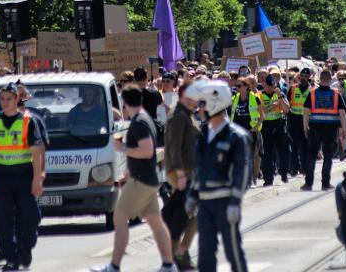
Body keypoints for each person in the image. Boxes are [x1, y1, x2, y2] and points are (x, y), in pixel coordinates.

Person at [93, 88, 177, 272]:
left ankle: (114, 266)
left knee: (120, 217)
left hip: (141, 181)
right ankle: (169, 264)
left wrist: (122, 148)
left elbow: (146, 151)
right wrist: (128, 173)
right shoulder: (143, 119)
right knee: (156, 222)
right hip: (145, 178)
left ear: (125, 103)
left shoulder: (139, 122)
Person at [0, 82, 46, 271]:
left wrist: (37, 178)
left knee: (29, 217)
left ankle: (25, 248)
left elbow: (36, 152)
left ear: (17, 100)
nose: (5, 103)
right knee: (3, 218)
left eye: (9, 99)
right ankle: (11, 256)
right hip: (3, 176)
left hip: (24, 175)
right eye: (2, 99)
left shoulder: (27, 121)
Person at [185, 80, 250, 272]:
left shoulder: (236, 136)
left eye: (202, 103)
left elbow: (242, 171)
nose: (199, 108)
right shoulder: (204, 135)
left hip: (225, 202)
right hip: (205, 205)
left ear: (215, 103)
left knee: (233, 251)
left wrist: (235, 202)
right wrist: (192, 195)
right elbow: (199, 169)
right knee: (205, 256)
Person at [164, 80, 200, 270]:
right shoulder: (178, 116)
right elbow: (174, 147)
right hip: (181, 171)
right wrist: (180, 174)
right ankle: (177, 254)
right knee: (186, 214)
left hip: (188, 170)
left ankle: (178, 253)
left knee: (187, 214)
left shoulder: (186, 114)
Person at [302, 68, 346, 191]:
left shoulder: (312, 94)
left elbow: (305, 112)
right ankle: (325, 183)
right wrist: (343, 129)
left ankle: (308, 183)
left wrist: (305, 127)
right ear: (330, 79)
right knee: (327, 156)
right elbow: (342, 114)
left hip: (315, 127)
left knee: (311, 155)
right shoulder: (336, 95)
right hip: (331, 129)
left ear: (320, 80)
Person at [230, 78, 263, 184]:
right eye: (236, 86)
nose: (237, 88)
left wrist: (256, 126)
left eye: (239, 86)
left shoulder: (255, 98)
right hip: (237, 132)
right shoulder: (235, 98)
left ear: (246, 86)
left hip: (251, 131)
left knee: (252, 156)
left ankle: (252, 179)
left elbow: (262, 115)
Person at [259, 75, 289, 186]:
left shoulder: (280, 94)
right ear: (264, 85)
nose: (271, 89)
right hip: (266, 126)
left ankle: (284, 173)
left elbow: (286, 110)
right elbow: (259, 112)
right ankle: (268, 179)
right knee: (267, 154)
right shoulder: (260, 95)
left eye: (273, 86)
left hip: (278, 124)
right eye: (268, 86)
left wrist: (280, 97)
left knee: (284, 151)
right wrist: (270, 108)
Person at [286, 69, 311, 177]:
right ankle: (294, 168)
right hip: (294, 119)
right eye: (302, 75)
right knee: (294, 145)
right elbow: (287, 104)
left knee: (305, 145)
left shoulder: (312, 90)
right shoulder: (292, 89)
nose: (303, 77)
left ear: (309, 77)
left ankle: (304, 168)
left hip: (307, 120)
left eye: (306, 76)